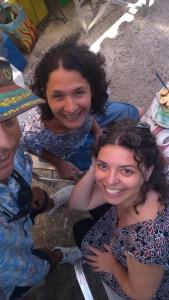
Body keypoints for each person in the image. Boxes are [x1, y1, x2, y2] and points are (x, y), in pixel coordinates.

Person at [0, 58, 81, 300]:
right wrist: (48, 258)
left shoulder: (10, 148)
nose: (5, 144)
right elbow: (22, 271)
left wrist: (28, 193)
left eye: (7, 119)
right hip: (13, 275)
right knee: (40, 264)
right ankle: (62, 255)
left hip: (18, 212)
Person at [69, 119, 169, 300]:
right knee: (89, 217)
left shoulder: (149, 243)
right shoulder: (136, 188)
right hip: (121, 238)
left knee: (81, 229)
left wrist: (113, 266)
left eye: (126, 171)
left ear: (147, 171)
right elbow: (78, 204)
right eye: (103, 165)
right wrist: (93, 169)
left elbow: (141, 295)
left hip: (135, 278)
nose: (110, 180)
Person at [22, 34, 142, 182]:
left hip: (91, 125)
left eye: (78, 92)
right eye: (58, 96)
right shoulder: (34, 132)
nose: (71, 108)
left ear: (91, 89)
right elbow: (31, 146)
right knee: (97, 175)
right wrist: (58, 163)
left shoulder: (90, 103)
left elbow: (89, 114)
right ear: (44, 95)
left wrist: (97, 130)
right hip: (73, 151)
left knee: (135, 113)